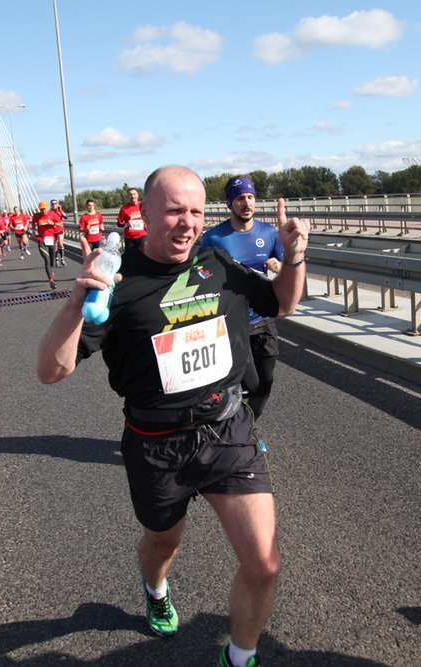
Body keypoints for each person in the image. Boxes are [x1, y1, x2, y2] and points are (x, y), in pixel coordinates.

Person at [37, 165, 309, 667]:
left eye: (196, 212)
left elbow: (282, 303)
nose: (188, 223)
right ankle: (156, 590)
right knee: (164, 542)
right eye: (175, 211)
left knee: (264, 563)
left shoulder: (217, 261)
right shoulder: (117, 282)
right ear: (143, 212)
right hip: (155, 442)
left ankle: (239, 658)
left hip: (227, 430)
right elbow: (50, 371)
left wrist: (293, 257)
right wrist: (77, 300)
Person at [201, 175, 284, 420]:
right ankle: (242, 430)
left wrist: (280, 266)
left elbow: (286, 266)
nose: (246, 203)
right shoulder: (215, 238)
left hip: (263, 319)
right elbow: (200, 272)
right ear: (229, 203)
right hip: (233, 322)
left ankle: (248, 426)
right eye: (239, 198)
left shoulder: (268, 232)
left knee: (266, 382)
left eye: (250, 197)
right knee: (250, 384)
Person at [31, 200, 62, 289]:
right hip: (41, 239)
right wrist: (34, 230)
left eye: (44, 209)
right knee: (46, 259)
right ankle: (51, 280)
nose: (43, 211)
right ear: (39, 209)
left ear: (47, 208)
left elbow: (61, 224)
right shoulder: (36, 216)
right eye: (41, 209)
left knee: (51, 261)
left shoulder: (52, 214)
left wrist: (53, 223)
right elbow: (33, 222)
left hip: (51, 239)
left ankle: (50, 272)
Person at [117, 187, 146, 251]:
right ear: (128, 196)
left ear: (138, 195)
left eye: (134, 194)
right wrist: (126, 224)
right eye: (130, 194)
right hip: (130, 238)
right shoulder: (124, 208)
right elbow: (119, 223)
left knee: (144, 255)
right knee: (130, 256)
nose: (132, 196)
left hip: (142, 236)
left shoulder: (144, 205)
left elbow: (150, 216)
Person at [51, 198, 68, 266]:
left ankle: (62, 259)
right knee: (55, 245)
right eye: (52, 204)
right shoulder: (50, 212)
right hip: (53, 230)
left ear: (57, 204)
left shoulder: (59, 211)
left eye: (55, 204)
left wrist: (61, 210)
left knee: (60, 243)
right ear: (51, 205)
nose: (54, 205)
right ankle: (56, 259)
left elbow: (66, 217)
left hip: (60, 229)